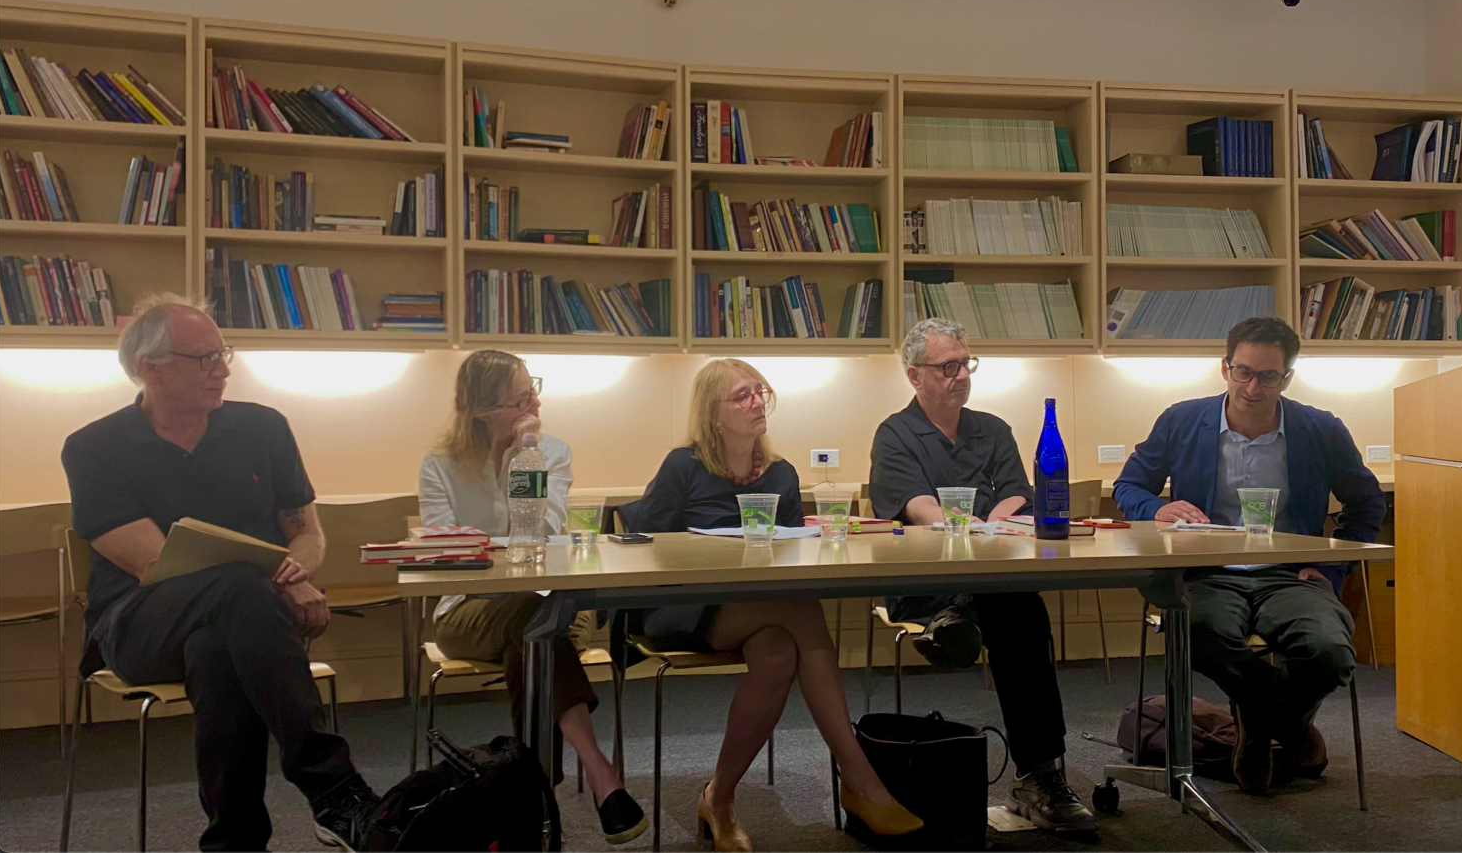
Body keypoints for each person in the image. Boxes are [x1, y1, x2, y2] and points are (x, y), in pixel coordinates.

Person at [59, 295, 379, 852]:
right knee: (236, 591)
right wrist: (279, 579)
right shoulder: (94, 448)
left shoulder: (264, 428)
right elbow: (158, 564)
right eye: (205, 358)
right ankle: (335, 791)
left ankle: (234, 842)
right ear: (150, 368)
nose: (223, 370)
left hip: (247, 619)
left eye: (223, 354)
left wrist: (293, 568)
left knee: (216, 647)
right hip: (136, 624)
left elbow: (307, 533)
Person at [620, 358, 922, 853]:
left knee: (780, 651)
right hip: (683, 608)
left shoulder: (780, 473)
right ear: (712, 414)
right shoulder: (684, 466)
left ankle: (718, 798)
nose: (757, 401)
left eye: (760, 392)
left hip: (759, 608)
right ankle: (860, 778)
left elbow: (789, 552)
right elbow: (644, 540)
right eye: (741, 396)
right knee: (801, 609)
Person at [1113, 316, 1386, 794]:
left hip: (1289, 575)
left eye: (1268, 376)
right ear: (1225, 368)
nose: (1253, 387)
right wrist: (1158, 507)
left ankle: (1260, 724)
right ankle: (1286, 725)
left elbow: (1367, 503)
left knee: (1330, 653)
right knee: (1198, 631)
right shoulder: (1182, 420)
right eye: (1243, 372)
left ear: (1288, 378)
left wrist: (1327, 567)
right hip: (1207, 572)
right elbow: (1128, 485)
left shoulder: (1319, 429)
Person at [868, 318, 1097, 834]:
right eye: (947, 366)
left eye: (965, 363)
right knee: (1018, 606)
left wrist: (998, 521)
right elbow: (920, 507)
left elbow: (1018, 491)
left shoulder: (992, 428)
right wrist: (973, 526)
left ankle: (1040, 774)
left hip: (993, 575)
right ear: (914, 376)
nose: (961, 375)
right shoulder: (895, 434)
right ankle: (1040, 774)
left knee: (1016, 605)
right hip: (926, 580)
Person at [418, 349, 646, 843]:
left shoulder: (551, 451)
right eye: (519, 399)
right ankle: (599, 773)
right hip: (466, 611)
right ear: (480, 409)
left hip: (551, 600)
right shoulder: (440, 464)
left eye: (533, 390)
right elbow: (445, 553)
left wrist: (526, 456)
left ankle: (533, 811)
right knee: (536, 624)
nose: (534, 403)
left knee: (534, 631)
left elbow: (536, 532)